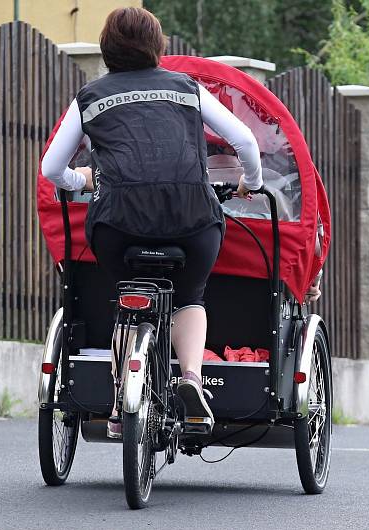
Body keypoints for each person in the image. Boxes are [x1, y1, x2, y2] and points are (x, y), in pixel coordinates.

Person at [40, 7, 262, 436]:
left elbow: (51, 169)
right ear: (158, 46)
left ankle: (123, 406)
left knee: (127, 300)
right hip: (191, 220)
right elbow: (245, 140)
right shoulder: (187, 88)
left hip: (116, 227)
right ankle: (193, 382)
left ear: (107, 50)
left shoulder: (89, 97)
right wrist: (247, 184)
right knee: (191, 294)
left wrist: (81, 179)